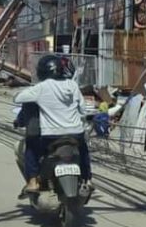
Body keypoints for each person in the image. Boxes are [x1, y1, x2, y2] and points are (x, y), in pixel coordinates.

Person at [14, 54, 91, 194]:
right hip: (75, 133)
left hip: (50, 136)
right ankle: (87, 180)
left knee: (31, 147)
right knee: (83, 149)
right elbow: (82, 109)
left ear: (41, 71)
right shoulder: (72, 85)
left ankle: (32, 182)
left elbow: (18, 98)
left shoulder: (40, 88)